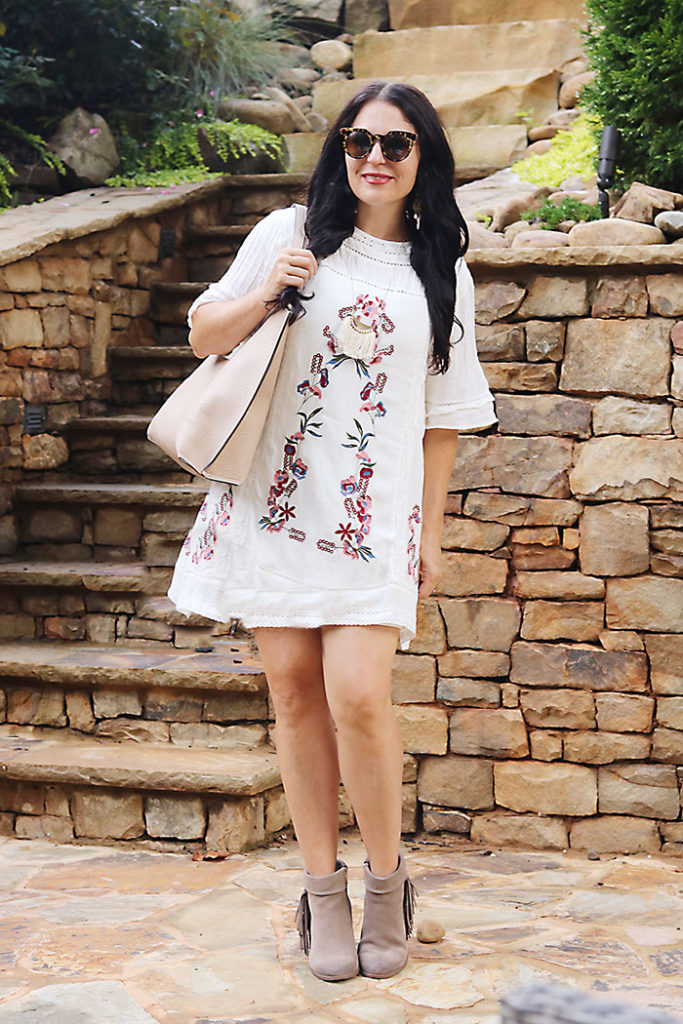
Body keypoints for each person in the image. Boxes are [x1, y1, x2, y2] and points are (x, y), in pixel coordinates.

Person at [168, 79, 496, 983]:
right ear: (338, 152)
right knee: (292, 691)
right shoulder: (287, 235)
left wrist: (431, 534)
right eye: (357, 142)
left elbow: (442, 418)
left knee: (357, 692)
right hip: (273, 506)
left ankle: (388, 884)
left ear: (423, 158)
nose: (374, 160)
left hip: (371, 518)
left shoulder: (442, 269)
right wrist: (271, 291)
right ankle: (322, 892)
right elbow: (203, 334)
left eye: (394, 145)